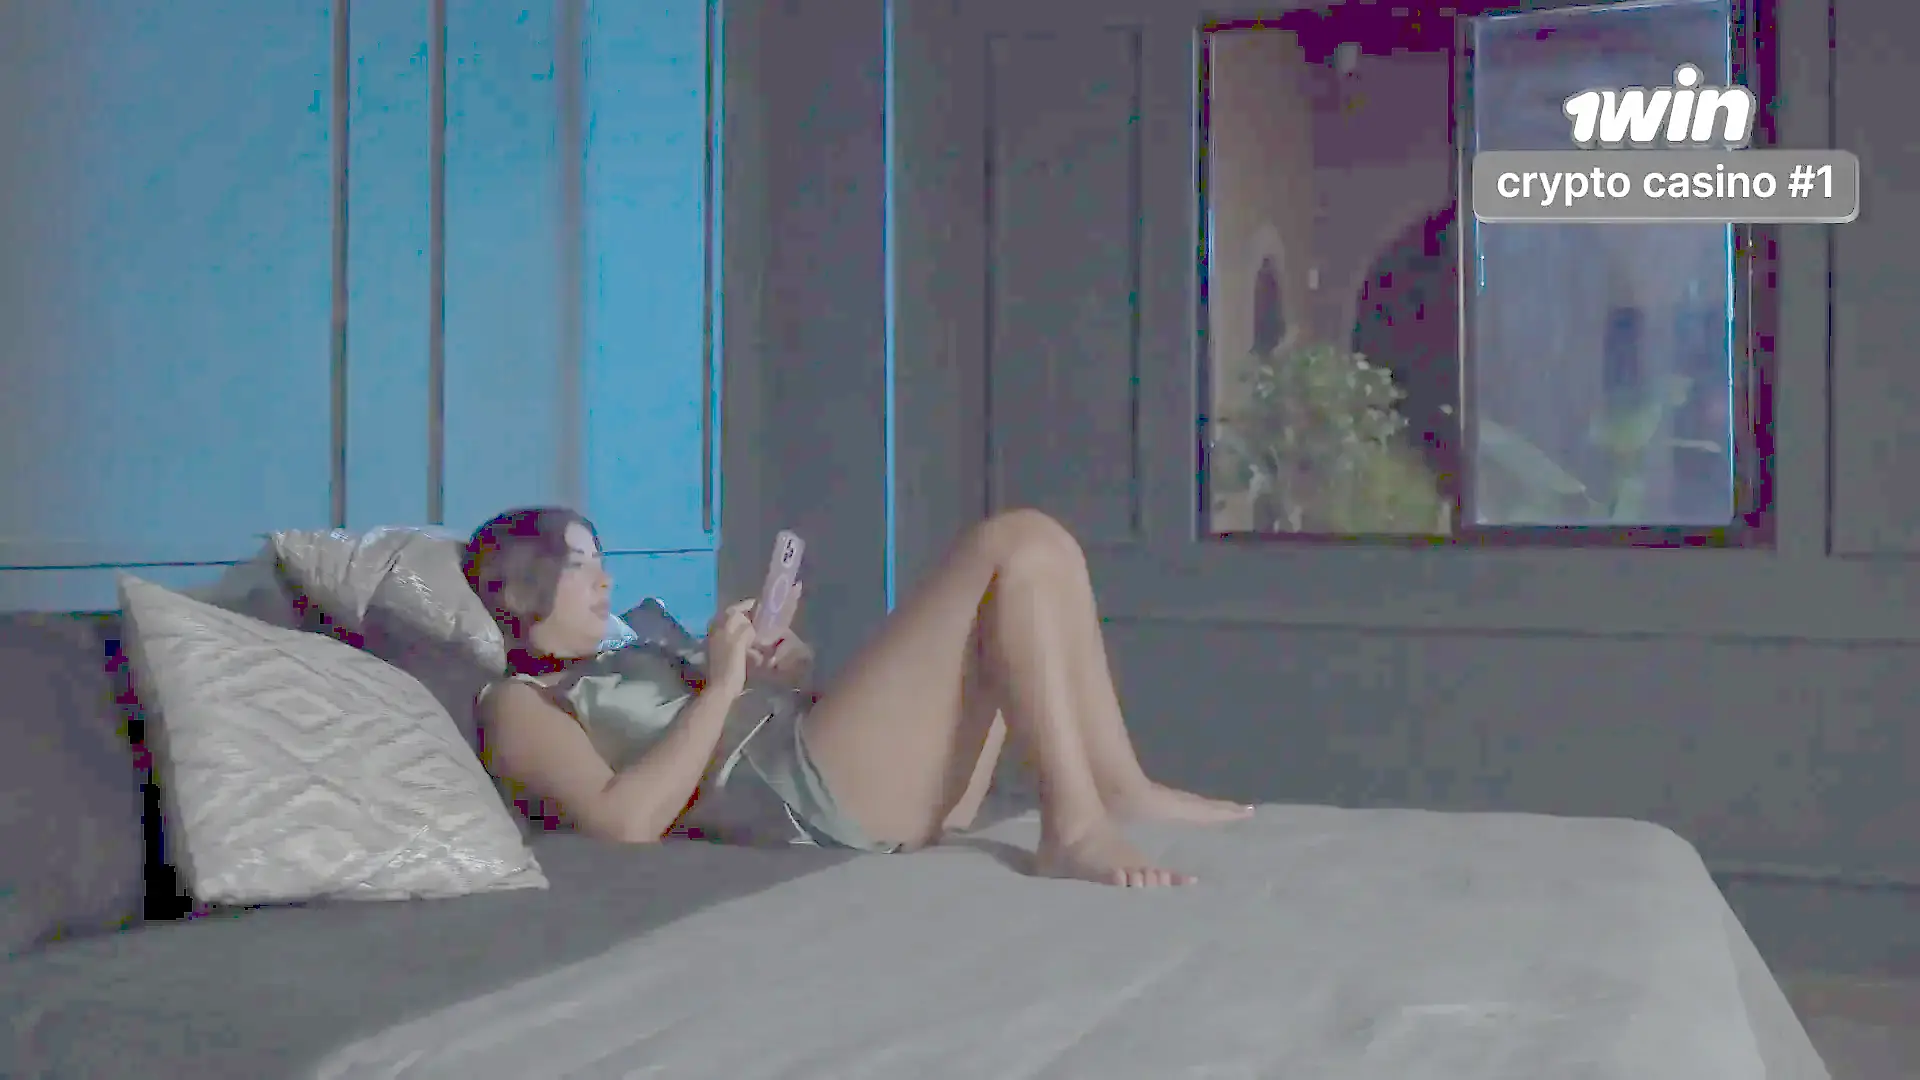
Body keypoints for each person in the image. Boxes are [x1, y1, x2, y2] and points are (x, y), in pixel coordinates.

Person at [466, 506, 1251, 888]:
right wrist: (725, 684)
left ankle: (1117, 787)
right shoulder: (517, 703)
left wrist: (770, 671)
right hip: (807, 797)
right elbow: (625, 822)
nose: (604, 580)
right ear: (521, 585)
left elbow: (720, 725)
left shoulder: (631, 649)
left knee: (1044, 550)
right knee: (1013, 540)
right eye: (578, 565)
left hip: (823, 758)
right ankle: (1073, 827)